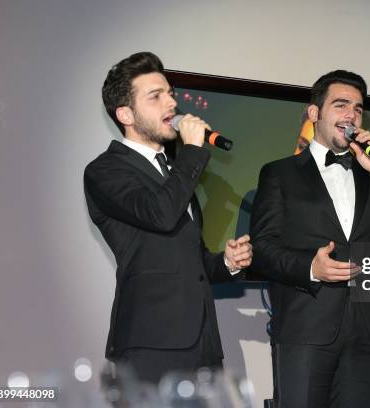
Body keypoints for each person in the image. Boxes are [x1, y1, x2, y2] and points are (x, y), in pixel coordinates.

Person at [84, 52, 252, 384]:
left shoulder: (175, 172)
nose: (171, 103)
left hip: (203, 345)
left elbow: (190, 260)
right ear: (125, 115)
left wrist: (227, 263)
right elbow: (159, 214)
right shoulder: (105, 171)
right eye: (155, 96)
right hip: (150, 344)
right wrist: (191, 151)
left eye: (170, 93)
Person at [250, 70, 370, 408]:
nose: (351, 115)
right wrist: (311, 267)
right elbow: (263, 249)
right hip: (304, 330)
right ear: (314, 114)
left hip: (366, 332)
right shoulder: (278, 173)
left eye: (357, 108)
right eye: (341, 105)